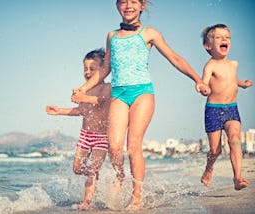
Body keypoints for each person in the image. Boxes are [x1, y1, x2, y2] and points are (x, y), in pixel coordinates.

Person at [71, 0, 210, 210]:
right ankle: (121, 175)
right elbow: (105, 68)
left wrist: (198, 80)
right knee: (114, 146)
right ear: (117, 6)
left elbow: (174, 58)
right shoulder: (112, 36)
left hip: (142, 92)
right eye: (123, 1)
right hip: (119, 93)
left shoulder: (149, 33)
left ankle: (137, 196)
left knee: (133, 144)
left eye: (134, 1)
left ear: (142, 5)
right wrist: (83, 88)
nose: (128, 5)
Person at [46, 48, 111, 210]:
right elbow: (80, 111)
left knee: (92, 170)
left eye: (92, 69)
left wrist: (84, 97)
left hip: (102, 137)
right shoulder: (85, 89)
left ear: (102, 71)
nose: (88, 72)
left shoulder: (107, 88)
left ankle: (86, 202)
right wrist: (59, 110)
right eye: (85, 69)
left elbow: (102, 102)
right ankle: (95, 177)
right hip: (85, 135)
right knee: (77, 169)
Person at [200, 24, 252, 191]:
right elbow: (205, 82)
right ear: (208, 46)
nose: (224, 39)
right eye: (218, 37)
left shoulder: (233, 64)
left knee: (235, 140)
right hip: (213, 110)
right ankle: (209, 168)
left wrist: (242, 84)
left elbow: (232, 78)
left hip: (232, 109)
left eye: (227, 37)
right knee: (215, 150)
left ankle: (237, 178)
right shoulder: (210, 65)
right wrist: (203, 88)